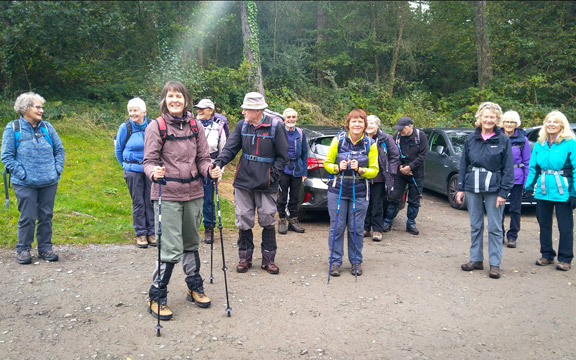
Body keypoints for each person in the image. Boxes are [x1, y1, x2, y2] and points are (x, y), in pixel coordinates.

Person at [143, 81, 217, 320]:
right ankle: (157, 295)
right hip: (168, 195)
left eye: (179, 96)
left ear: (186, 100)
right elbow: (148, 161)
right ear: (165, 99)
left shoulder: (196, 126)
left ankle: (194, 286)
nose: (175, 100)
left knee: (191, 242)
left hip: (194, 193)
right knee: (170, 247)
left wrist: (209, 170)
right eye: (170, 96)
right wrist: (154, 172)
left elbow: (204, 158)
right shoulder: (157, 126)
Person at [209, 92, 289, 275]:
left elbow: (283, 157)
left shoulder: (276, 127)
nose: (243, 111)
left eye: (247, 108)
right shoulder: (241, 126)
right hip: (244, 180)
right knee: (243, 218)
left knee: (268, 218)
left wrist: (271, 175)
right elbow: (230, 148)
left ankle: (269, 260)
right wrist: (219, 163)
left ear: (257, 110)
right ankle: (244, 258)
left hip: (267, 182)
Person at [1, 92, 65, 264]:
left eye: (42, 107)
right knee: (28, 216)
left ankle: (45, 248)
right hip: (24, 183)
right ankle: (23, 249)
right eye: (37, 107)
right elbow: (6, 156)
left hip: (49, 181)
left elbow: (59, 150)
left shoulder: (47, 127)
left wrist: (56, 170)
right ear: (24, 108)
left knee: (46, 215)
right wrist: (23, 174)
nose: (41, 110)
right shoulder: (13, 128)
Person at [456, 102, 514, 279]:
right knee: (475, 225)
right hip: (472, 185)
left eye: (492, 117)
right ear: (479, 118)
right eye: (486, 116)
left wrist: (504, 193)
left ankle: (495, 264)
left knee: (495, 227)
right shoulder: (470, 138)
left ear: (497, 120)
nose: (489, 120)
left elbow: (508, 168)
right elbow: (463, 164)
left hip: (494, 188)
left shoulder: (503, 139)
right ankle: (476, 259)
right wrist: (460, 188)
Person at [324, 109, 378, 276]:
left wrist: (361, 170)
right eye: (354, 121)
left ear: (365, 125)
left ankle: (356, 262)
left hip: (360, 192)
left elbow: (375, 170)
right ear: (348, 123)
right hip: (337, 190)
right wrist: (336, 167)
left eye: (360, 121)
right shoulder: (338, 140)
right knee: (337, 228)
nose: (357, 124)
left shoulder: (370, 144)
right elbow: (327, 163)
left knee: (356, 228)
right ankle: (335, 263)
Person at [525, 111, 576, 272]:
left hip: (563, 190)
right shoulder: (540, 144)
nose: (551, 124)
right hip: (543, 189)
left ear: (562, 125)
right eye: (549, 121)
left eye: (555, 122)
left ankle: (565, 258)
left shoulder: (569, 143)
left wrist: (574, 192)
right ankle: (547, 254)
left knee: (565, 226)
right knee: (544, 224)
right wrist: (528, 187)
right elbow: (533, 167)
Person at [114, 98, 155, 248]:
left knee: (151, 200)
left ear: (144, 111)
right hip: (132, 170)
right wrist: (126, 166)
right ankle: (141, 233)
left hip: (150, 169)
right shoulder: (125, 128)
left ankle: (152, 232)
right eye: (130, 110)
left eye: (135, 110)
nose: (132, 113)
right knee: (138, 202)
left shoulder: (152, 125)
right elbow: (118, 150)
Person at [382, 116, 428, 235]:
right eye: (398, 129)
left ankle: (411, 223)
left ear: (410, 126)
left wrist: (410, 167)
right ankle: (387, 222)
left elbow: (423, 155)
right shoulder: (397, 137)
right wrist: (400, 167)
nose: (400, 131)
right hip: (400, 172)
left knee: (414, 199)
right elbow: (392, 153)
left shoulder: (420, 136)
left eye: (402, 129)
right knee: (394, 198)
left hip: (416, 173)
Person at [193, 98, 227, 244]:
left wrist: (219, 172)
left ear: (211, 111)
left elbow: (223, 152)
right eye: (198, 108)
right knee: (192, 199)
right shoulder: (192, 126)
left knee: (208, 200)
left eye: (202, 108)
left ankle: (209, 228)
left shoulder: (218, 128)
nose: (199, 111)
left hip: (211, 166)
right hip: (192, 168)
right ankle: (192, 229)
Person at [362, 115, 400, 242]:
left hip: (379, 178)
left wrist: (391, 171)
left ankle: (377, 230)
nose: (370, 126)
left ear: (377, 125)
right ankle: (365, 228)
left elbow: (395, 155)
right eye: (368, 123)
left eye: (372, 123)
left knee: (377, 204)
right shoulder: (361, 138)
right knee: (364, 203)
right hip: (362, 176)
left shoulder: (385, 138)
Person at [500, 110, 531, 248]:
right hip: (499, 177)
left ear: (516, 124)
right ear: (502, 122)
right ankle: (498, 233)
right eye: (507, 121)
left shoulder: (522, 140)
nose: (509, 124)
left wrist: (526, 183)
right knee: (498, 207)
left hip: (517, 178)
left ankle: (512, 236)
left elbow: (527, 162)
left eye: (512, 122)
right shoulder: (497, 137)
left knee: (515, 208)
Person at [277, 108, 308, 235]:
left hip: (297, 168)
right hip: (282, 168)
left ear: (296, 118)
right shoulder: (279, 132)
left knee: (295, 197)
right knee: (282, 196)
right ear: (284, 118)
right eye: (288, 117)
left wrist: (305, 172)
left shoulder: (300, 133)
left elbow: (305, 153)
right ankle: (282, 220)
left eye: (293, 117)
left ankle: (293, 221)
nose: (291, 119)